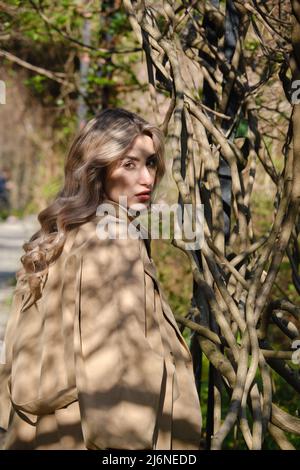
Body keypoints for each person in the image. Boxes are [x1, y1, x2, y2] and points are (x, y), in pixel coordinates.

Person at [0, 108, 202, 450]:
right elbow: (118, 370)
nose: (147, 179)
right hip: (90, 436)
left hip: (42, 433)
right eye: (129, 164)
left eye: (151, 163)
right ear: (99, 169)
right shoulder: (114, 240)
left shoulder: (60, 235)